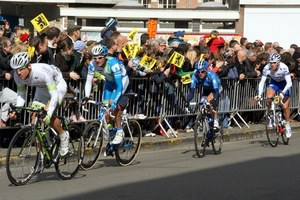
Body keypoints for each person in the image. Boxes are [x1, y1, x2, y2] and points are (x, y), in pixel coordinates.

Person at [9, 52, 69, 156]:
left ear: (28, 66)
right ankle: (42, 155)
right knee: (33, 121)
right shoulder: (17, 76)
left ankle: (63, 136)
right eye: (16, 70)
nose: (18, 73)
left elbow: (54, 95)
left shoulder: (43, 72)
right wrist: (17, 110)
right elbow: (21, 94)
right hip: (41, 91)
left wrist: (48, 113)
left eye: (21, 69)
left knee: (45, 115)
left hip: (57, 87)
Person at [83, 38, 129, 145]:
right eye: (95, 58)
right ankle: (110, 130)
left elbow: (119, 86)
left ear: (105, 56)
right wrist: (86, 96)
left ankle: (119, 131)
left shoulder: (113, 63)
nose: (97, 60)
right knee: (104, 110)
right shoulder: (92, 64)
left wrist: (115, 101)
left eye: (100, 58)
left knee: (115, 105)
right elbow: (88, 82)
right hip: (109, 82)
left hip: (121, 80)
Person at [255, 53, 293, 138]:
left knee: (285, 107)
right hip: (274, 83)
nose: (272, 64)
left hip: (284, 84)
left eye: (274, 63)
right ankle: (271, 115)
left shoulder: (284, 67)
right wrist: (259, 94)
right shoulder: (266, 68)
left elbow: (289, 83)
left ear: (278, 62)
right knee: (268, 97)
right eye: (270, 62)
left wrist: (282, 93)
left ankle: (287, 124)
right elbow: (262, 82)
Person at [185, 60, 223, 131]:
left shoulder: (211, 75)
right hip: (206, 90)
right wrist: (187, 101)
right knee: (201, 105)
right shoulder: (195, 76)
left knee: (209, 101)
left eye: (202, 71)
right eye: (198, 71)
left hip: (216, 89)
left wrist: (214, 100)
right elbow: (191, 91)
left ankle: (215, 122)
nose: (200, 73)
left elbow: (216, 91)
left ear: (206, 70)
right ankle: (207, 126)